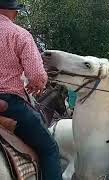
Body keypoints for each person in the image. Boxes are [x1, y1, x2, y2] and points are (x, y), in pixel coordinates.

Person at [0, 1, 62, 179]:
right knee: (50, 149)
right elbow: (36, 75)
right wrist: (38, 84)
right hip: (9, 104)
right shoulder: (19, 34)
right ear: (14, 13)